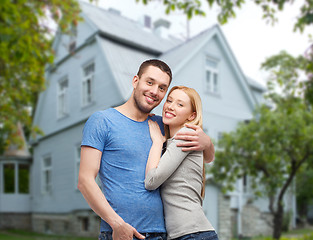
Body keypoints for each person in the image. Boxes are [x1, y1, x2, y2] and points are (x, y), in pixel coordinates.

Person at [78, 59, 215, 240]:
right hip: (121, 232)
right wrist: (116, 224)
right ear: (136, 81)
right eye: (149, 82)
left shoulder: (162, 124)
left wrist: (207, 143)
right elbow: (85, 180)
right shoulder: (102, 121)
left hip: (163, 234)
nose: (154, 91)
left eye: (162, 88)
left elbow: (206, 158)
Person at [145, 86, 218, 240]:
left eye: (180, 104)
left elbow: (151, 181)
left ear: (192, 116)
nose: (170, 106)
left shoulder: (186, 135)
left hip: (192, 234)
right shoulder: (174, 140)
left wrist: (157, 142)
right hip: (188, 233)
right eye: (169, 100)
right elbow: (209, 158)